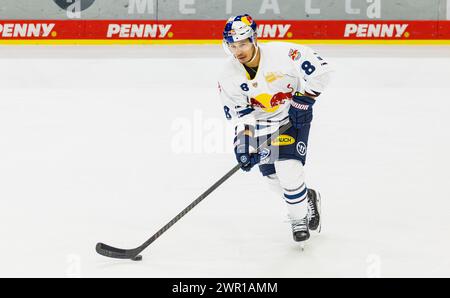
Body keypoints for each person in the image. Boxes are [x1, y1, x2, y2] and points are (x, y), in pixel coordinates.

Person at [217, 14, 332, 244]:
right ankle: (305, 197)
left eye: (242, 43)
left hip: (293, 118)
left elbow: (322, 71)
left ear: (253, 39)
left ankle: (298, 219)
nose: (237, 50)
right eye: (232, 45)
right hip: (262, 126)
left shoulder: (283, 53)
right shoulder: (228, 75)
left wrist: (305, 100)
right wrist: (244, 144)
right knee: (272, 179)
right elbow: (242, 115)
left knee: (288, 169)